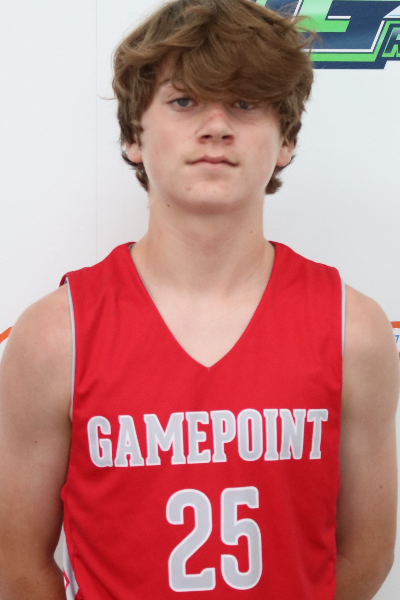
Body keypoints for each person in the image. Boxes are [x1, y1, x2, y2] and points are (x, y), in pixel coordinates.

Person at [0, 0, 398, 598]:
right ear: (134, 136)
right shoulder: (56, 335)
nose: (216, 126)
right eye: (184, 101)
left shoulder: (354, 330)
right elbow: (19, 565)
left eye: (245, 103)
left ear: (286, 140)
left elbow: (366, 554)